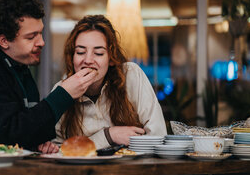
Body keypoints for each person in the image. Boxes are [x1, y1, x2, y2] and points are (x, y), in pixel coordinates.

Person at [0, 0, 99, 153]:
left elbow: (24, 134)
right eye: (31, 37)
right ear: (4, 40)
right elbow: (5, 138)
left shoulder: (20, 69)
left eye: (40, 33)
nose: (41, 42)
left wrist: (39, 144)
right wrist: (63, 95)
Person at [54, 15, 167, 149]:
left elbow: (158, 135)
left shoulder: (131, 75)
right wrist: (108, 136)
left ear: (111, 58)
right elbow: (59, 150)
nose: (88, 60)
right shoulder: (61, 90)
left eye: (99, 53)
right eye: (80, 52)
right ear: (72, 58)